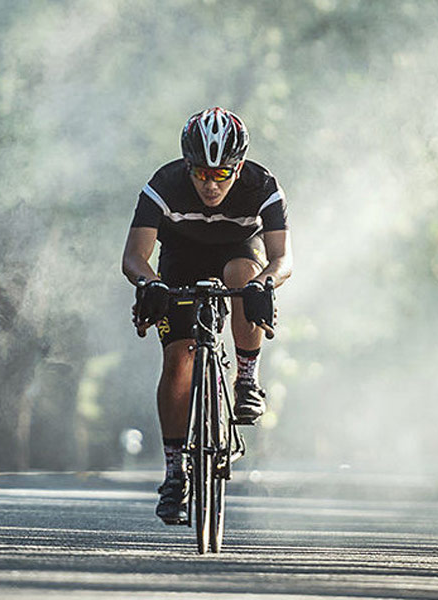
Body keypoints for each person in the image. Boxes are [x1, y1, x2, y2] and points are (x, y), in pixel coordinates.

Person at [122, 107, 291, 525]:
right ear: (186, 164)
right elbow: (133, 257)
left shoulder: (263, 186)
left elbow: (282, 259)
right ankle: (175, 470)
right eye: (200, 173)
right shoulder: (164, 185)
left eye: (221, 175)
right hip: (181, 258)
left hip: (238, 253)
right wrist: (151, 283)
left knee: (246, 278)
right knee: (179, 357)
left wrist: (266, 284)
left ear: (239, 168)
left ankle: (246, 378)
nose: (210, 184)